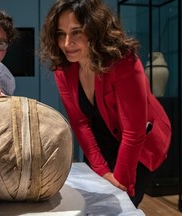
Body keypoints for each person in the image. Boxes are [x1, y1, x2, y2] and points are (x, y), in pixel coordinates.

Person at [39, 0, 171, 207]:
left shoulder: (124, 62)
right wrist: (102, 170)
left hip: (142, 139)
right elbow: (80, 122)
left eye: (76, 32)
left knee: (123, 202)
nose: (66, 43)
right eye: (60, 33)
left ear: (94, 30)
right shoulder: (62, 68)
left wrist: (119, 182)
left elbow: (133, 133)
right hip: (101, 136)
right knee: (95, 202)